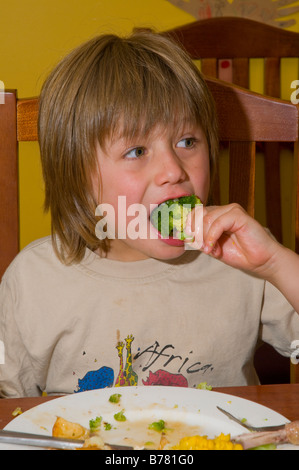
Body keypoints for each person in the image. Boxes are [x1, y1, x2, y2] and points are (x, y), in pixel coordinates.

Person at [0, 31, 298, 398]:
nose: (173, 169)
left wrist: (276, 264)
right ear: (76, 175)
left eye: (187, 142)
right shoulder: (33, 282)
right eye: (137, 150)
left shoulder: (242, 258)